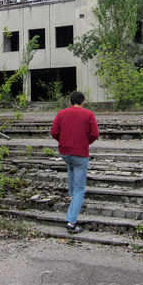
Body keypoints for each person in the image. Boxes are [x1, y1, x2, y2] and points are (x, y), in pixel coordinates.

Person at [50, 91, 99, 234]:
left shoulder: (61, 113)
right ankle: (71, 223)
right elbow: (95, 134)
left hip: (65, 152)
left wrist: (64, 141)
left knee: (71, 166)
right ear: (83, 102)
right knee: (80, 190)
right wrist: (85, 143)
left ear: (70, 102)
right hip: (80, 153)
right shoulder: (88, 114)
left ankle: (72, 198)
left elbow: (54, 132)